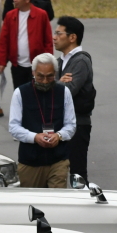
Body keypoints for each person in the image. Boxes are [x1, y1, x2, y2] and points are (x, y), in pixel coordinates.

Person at [9, 53, 76, 188]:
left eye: (49, 76)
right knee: (32, 204)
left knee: (57, 203)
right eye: (40, 76)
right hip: (30, 161)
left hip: (58, 160)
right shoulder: (20, 93)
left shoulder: (64, 92)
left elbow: (71, 124)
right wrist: (35, 137)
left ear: (55, 73)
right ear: (33, 72)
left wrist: (59, 135)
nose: (45, 81)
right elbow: (14, 127)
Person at [54, 16, 95, 181]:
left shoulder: (81, 61)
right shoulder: (60, 61)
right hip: (60, 124)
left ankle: (82, 204)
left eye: (59, 33)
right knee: (56, 171)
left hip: (78, 125)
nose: (54, 37)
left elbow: (68, 91)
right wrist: (58, 83)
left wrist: (54, 84)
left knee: (77, 174)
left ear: (72, 37)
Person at [0, 0, 53, 90]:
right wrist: (1, 61)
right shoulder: (10, 16)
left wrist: (48, 61)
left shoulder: (41, 15)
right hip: (17, 66)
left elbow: (48, 41)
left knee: (37, 95)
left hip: (37, 66)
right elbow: (3, 40)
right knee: (20, 95)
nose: (14, 0)